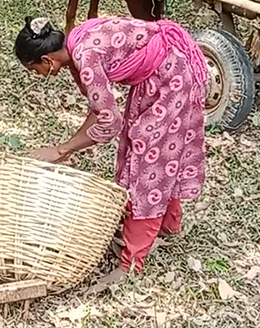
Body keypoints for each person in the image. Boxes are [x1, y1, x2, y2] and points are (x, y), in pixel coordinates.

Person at [15, 15, 208, 277]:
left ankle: (131, 263)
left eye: (33, 70)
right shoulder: (74, 44)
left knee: (150, 162)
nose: (38, 76)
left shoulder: (85, 58)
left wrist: (62, 151)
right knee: (149, 146)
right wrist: (66, 147)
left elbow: (109, 123)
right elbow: (98, 110)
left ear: (47, 60)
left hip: (174, 75)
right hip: (157, 72)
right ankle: (167, 225)